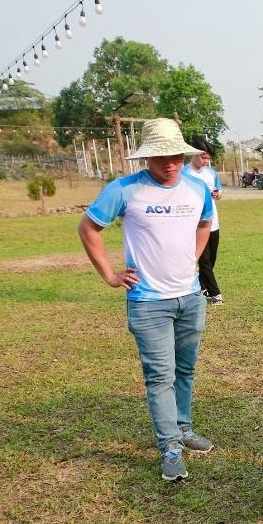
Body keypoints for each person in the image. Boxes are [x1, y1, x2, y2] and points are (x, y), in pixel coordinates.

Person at [79, 119, 216, 482]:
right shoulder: (124, 190)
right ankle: (170, 446)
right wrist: (109, 274)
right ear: (146, 158)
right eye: (160, 157)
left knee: (185, 371)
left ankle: (183, 429)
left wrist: (194, 257)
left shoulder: (197, 189)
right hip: (148, 302)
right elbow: (88, 227)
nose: (169, 164)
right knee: (160, 376)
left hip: (189, 297)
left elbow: (205, 224)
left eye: (174, 156)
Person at [180, 139, 223, 305]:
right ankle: (216, 294)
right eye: (203, 157)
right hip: (194, 225)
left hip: (213, 222)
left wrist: (218, 194)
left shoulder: (211, 173)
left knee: (211, 259)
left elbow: (220, 192)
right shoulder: (183, 174)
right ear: (194, 154)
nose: (206, 161)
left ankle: (201, 287)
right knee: (204, 261)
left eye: (208, 158)